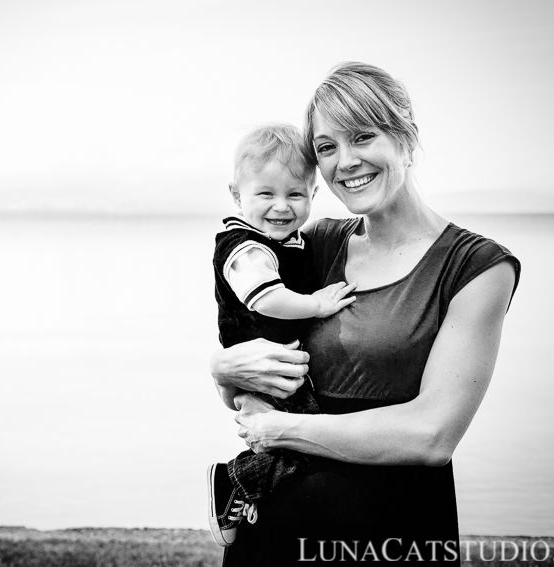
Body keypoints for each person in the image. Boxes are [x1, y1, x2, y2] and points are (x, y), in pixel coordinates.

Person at [210, 62, 521, 565]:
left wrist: (285, 432)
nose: (346, 161)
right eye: (328, 147)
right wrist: (222, 372)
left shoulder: (476, 267)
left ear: (406, 137)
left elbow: (432, 436)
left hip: (390, 530)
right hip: (275, 525)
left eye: (362, 137)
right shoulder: (314, 243)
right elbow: (253, 342)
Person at [207, 124, 356, 547]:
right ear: (237, 195)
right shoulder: (246, 247)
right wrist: (318, 304)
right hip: (264, 368)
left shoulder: (291, 243)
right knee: (308, 441)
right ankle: (233, 481)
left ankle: (250, 489)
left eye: (295, 194)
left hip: (278, 369)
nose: (281, 206)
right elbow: (266, 298)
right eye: (265, 194)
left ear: (313, 194)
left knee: (294, 443)